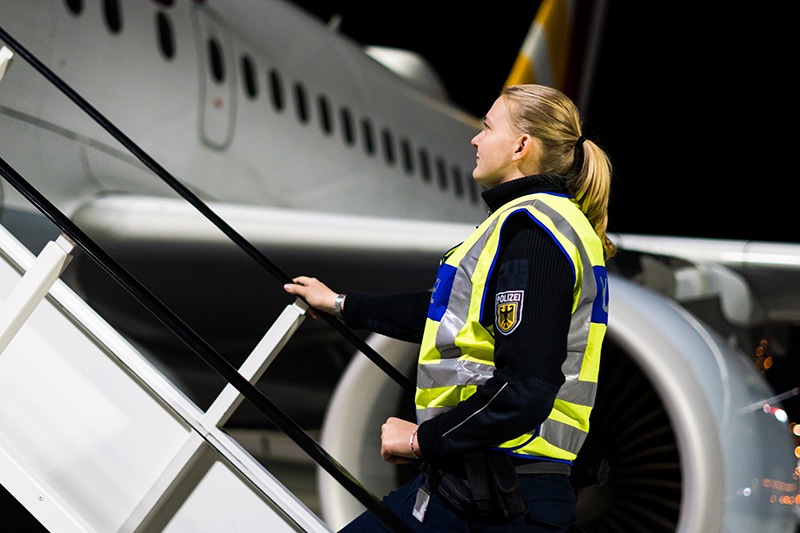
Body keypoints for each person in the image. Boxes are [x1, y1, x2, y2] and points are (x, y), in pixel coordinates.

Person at [284, 83, 615, 532]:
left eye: (487, 127)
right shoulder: (524, 225)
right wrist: (341, 304)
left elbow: (526, 388)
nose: (475, 139)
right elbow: (447, 316)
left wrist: (421, 440)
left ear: (521, 146)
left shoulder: (535, 235)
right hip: (470, 486)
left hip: (499, 499)